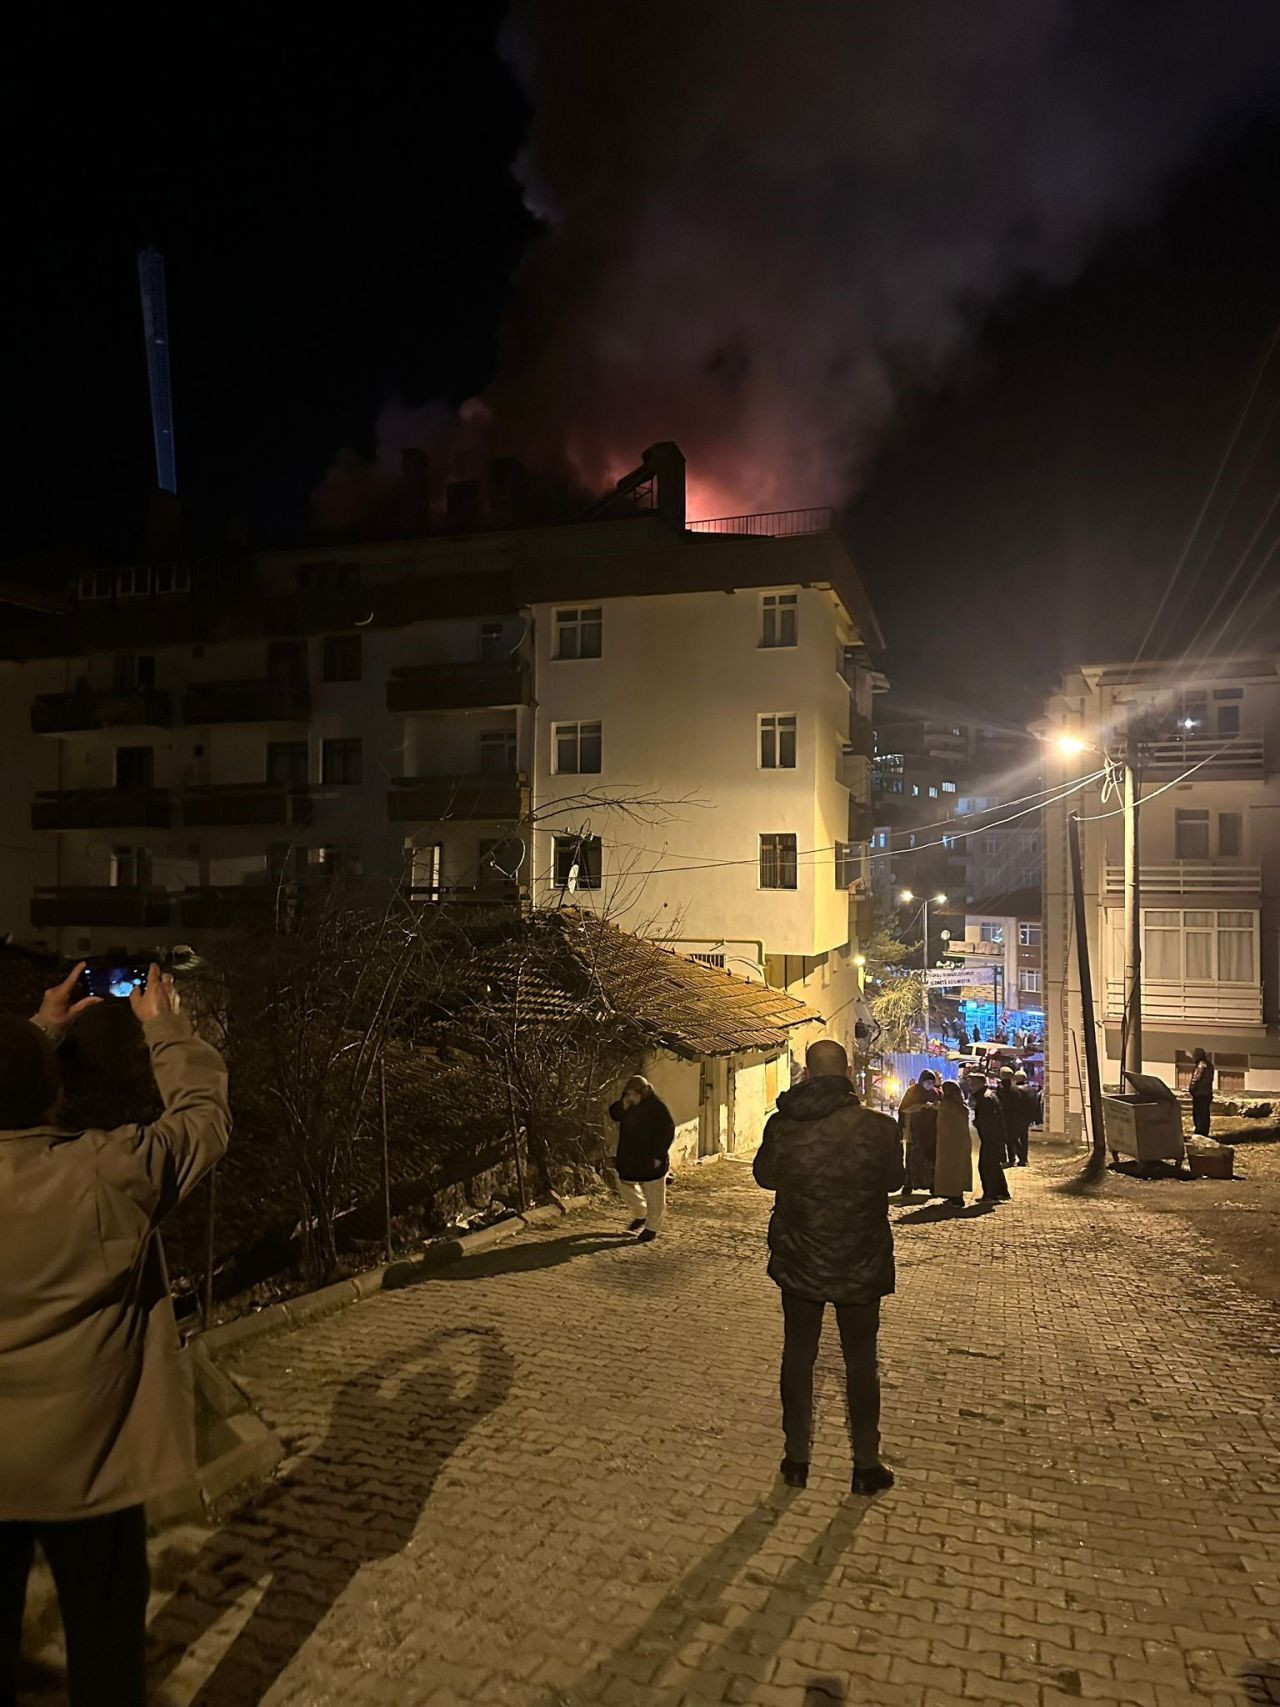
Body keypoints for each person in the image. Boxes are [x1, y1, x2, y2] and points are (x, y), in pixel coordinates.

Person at [0, 963, 230, 1707]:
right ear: (54, 1092)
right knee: (103, 1644)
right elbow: (201, 1119)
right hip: (90, 1466)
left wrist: (36, 1030)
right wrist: (165, 1026)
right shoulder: (104, 1173)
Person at [753, 1038, 904, 1496]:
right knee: (861, 1362)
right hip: (860, 1260)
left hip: (800, 1259)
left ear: (808, 1074)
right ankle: (865, 1464)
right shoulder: (878, 1128)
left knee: (798, 1356)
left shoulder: (784, 1125)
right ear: (848, 1072)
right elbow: (896, 1182)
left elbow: (764, 1177)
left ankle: (796, 1459)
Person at [607, 1075, 674, 1242]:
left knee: (655, 1195)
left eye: (633, 1094)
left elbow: (667, 1131)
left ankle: (651, 1228)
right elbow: (615, 1114)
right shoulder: (627, 1104)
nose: (631, 1097)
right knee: (624, 1183)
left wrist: (659, 1155)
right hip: (630, 1158)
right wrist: (623, 1105)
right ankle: (640, 1213)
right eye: (628, 1094)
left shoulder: (656, 1107)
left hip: (652, 1158)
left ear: (642, 1093)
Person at [966, 1071, 1011, 1203]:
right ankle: (1002, 1192)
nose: (970, 1085)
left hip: (990, 1138)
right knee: (994, 1166)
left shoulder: (985, 1098)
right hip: (995, 1137)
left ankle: (990, 1194)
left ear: (979, 1084)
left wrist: (979, 1124)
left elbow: (988, 1120)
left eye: (972, 1083)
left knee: (986, 1166)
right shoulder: (989, 1095)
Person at [897, 1071, 939, 1198]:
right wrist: (920, 1107)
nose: (930, 1085)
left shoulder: (936, 1093)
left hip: (931, 1132)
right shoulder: (912, 1092)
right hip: (914, 1132)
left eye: (932, 1083)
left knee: (930, 1158)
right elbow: (903, 1108)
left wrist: (936, 1107)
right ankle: (909, 1184)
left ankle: (931, 1184)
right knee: (912, 1159)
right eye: (927, 1082)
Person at [934, 1080, 974, 1206]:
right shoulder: (961, 1105)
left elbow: (944, 1126)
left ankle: (953, 1195)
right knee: (959, 1167)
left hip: (949, 1142)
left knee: (950, 1168)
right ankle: (957, 1193)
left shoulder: (947, 1105)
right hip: (962, 1141)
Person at [997, 1067, 1034, 1168]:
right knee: (1023, 1138)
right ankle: (1023, 1159)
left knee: (1011, 1139)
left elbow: (1004, 1103)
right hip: (1023, 1117)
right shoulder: (1025, 1088)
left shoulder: (1004, 1087)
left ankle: (1014, 1158)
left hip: (1011, 1117)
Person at [1188, 1048, 1215, 1137]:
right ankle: (1204, 1131)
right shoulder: (1209, 1065)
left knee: (1198, 1114)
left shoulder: (1200, 1066)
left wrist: (1192, 1089)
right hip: (1207, 1093)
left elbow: (1196, 1079)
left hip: (1199, 1094)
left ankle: (1199, 1131)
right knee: (1205, 1114)